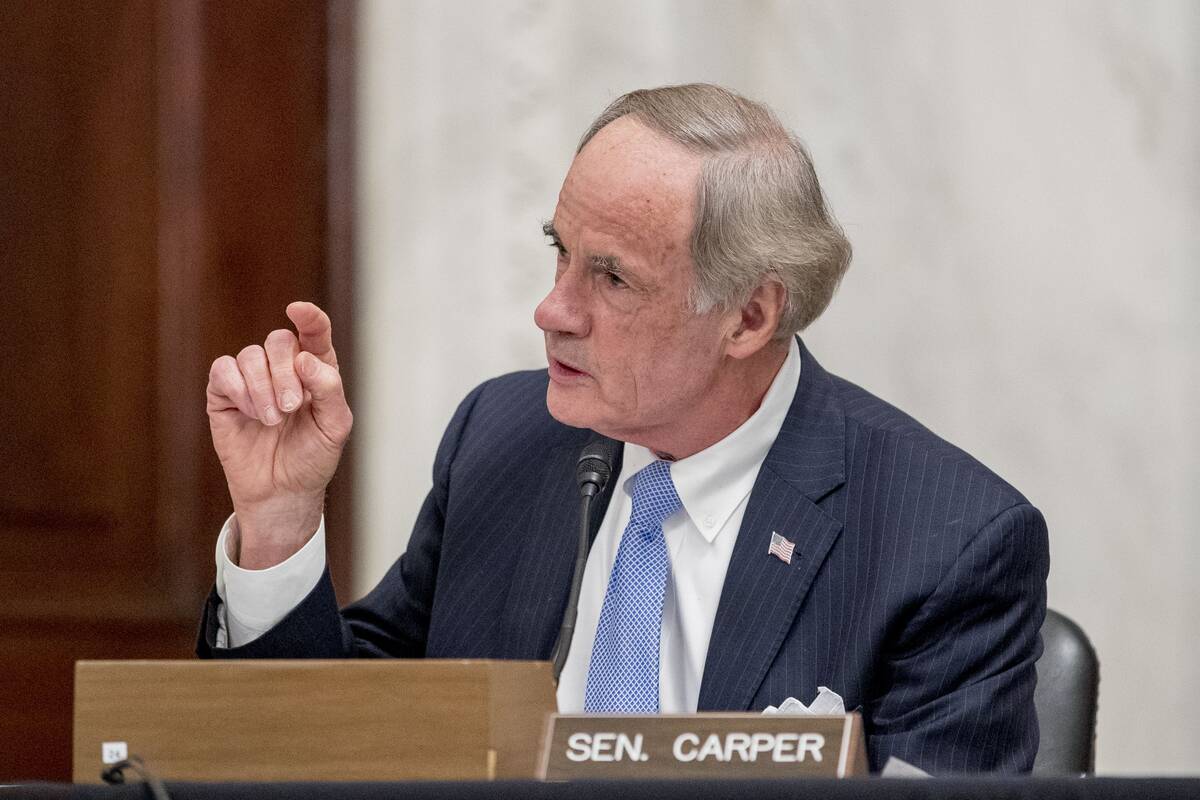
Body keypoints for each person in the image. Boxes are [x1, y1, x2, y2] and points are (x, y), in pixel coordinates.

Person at [198, 84, 1049, 774]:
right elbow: (330, 751)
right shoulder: (505, 440)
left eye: (610, 277)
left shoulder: (946, 543)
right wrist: (279, 523)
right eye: (558, 252)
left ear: (749, 316)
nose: (552, 309)